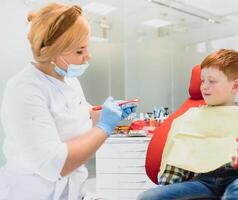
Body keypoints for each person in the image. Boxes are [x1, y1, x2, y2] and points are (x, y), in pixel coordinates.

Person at [0, 3, 136, 200]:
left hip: (72, 191)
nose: (88, 57)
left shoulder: (69, 80)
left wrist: (108, 112)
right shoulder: (24, 90)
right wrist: (105, 126)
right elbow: (54, 164)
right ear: (53, 53)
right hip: (33, 194)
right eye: (80, 51)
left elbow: (80, 116)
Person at [137, 49, 238, 200]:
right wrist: (170, 187)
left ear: (235, 86)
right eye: (202, 81)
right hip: (203, 182)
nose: (204, 87)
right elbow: (177, 164)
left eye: (211, 81)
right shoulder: (190, 119)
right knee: (150, 197)